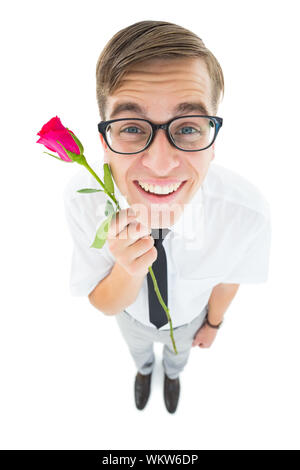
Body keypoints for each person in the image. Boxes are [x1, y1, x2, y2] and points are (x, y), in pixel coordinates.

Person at [63, 20, 271, 414]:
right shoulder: (82, 201)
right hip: (131, 317)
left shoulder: (247, 214)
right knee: (138, 351)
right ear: (104, 144)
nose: (160, 164)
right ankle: (144, 372)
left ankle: (172, 376)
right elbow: (104, 303)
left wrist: (212, 324)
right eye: (131, 128)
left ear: (212, 141)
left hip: (188, 321)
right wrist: (127, 266)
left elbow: (229, 278)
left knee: (178, 358)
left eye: (189, 127)